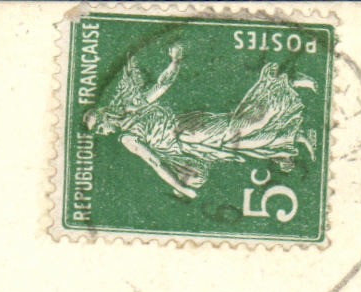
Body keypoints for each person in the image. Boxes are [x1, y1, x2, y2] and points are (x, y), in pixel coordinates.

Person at [86, 44, 319, 199]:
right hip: (189, 138)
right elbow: (161, 86)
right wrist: (174, 62)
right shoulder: (132, 108)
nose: (102, 132)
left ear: (104, 116)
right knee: (241, 140)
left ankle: (283, 84)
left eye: (98, 127)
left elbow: (155, 162)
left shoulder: (128, 135)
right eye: (98, 131)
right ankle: (294, 135)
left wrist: (181, 188)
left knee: (237, 132)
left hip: (189, 133)